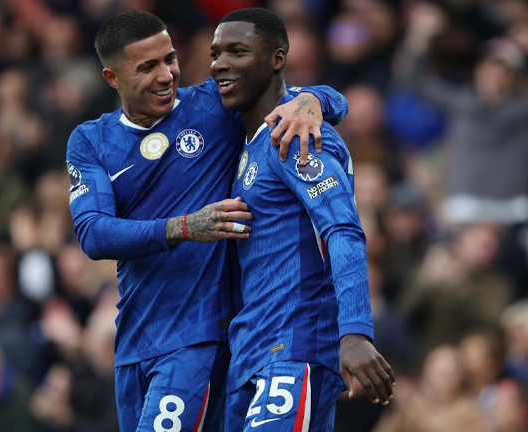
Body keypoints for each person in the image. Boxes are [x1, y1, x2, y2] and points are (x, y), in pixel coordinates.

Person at [66, 10, 349, 431]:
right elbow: (94, 234)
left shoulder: (212, 106)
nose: (166, 75)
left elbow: (300, 95)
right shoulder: (91, 140)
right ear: (113, 78)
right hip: (134, 338)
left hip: (200, 335)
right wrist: (184, 227)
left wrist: (314, 101)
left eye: (170, 59)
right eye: (147, 67)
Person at [210, 8, 394, 429]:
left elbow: (343, 229)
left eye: (238, 51)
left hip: (295, 344)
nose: (221, 63)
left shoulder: (295, 135)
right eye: (216, 53)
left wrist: (355, 332)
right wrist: (318, 97)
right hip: (251, 352)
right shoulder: (251, 139)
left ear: (278, 58)